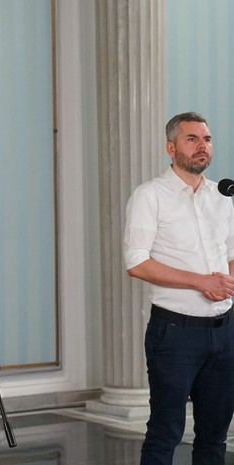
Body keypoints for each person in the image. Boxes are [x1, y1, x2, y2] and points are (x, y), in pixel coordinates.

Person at [124, 112, 234, 465]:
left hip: (225, 332)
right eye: (192, 139)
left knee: (215, 435)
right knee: (165, 433)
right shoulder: (150, 196)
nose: (203, 146)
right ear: (171, 148)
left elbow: (231, 256)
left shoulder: (222, 196)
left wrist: (226, 285)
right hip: (175, 334)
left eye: (207, 139)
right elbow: (137, 262)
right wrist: (202, 281)